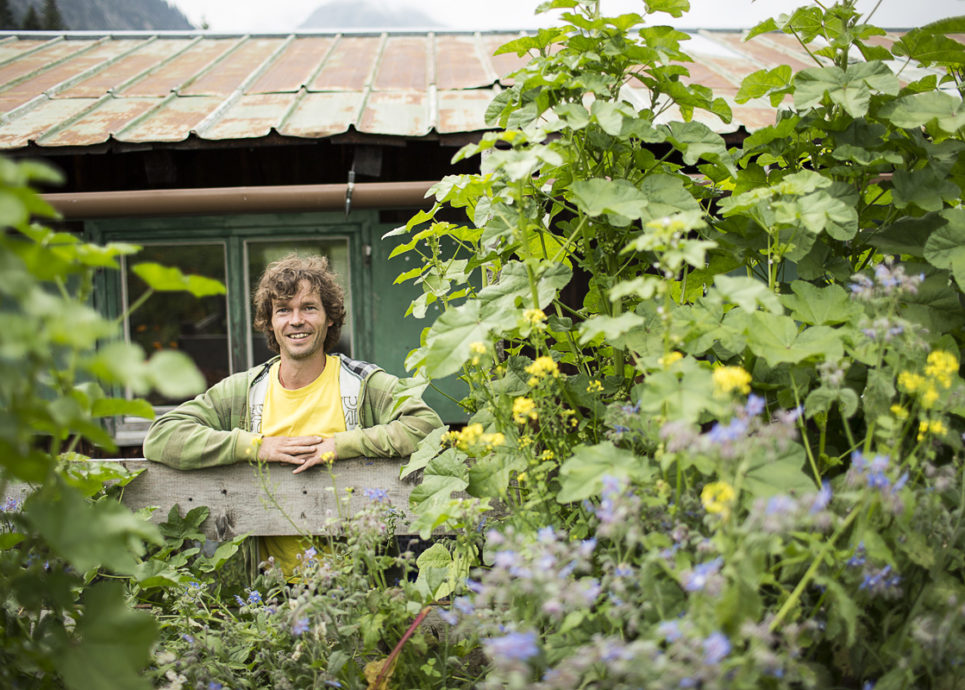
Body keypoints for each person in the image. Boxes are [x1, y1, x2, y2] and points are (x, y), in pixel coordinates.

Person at [143, 253, 442, 579]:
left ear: (330, 318)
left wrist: (343, 445)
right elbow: (161, 436)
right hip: (267, 592)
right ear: (269, 322)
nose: (296, 320)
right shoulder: (244, 391)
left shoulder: (362, 384)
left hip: (358, 588)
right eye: (283, 310)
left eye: (309, 308)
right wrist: (255, 446)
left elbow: (429, 427)